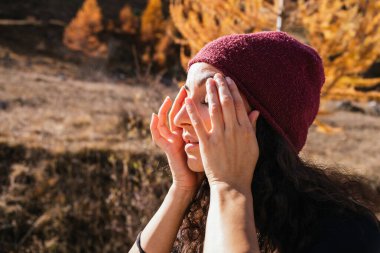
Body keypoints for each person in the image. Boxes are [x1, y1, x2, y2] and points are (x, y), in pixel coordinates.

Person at [129, 31, 380, 253]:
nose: (181, 118)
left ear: (262, 125)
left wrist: (229, 186)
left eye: (207, 100)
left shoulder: (345, 232)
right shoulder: (202, 208)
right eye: (185, 96)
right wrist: (181, 190)